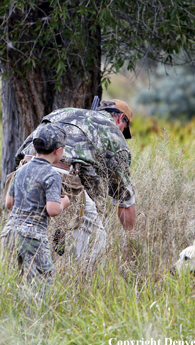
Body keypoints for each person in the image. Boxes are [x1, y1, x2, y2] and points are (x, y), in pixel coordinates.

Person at [15, 99, 136, 268]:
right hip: (63, 175)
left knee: (31, 236)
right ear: (120, 118)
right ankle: (83, 285)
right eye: (125, 130)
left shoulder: (62, 112)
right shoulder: (112, 132)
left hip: (24, 172)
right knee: (95, 243)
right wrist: (132, 241)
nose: (122, 135)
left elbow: (22, 151)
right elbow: (124, 199)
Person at [1, 123, 71, 287]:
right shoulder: (52, 174)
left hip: (10, 232)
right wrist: (65, 202)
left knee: (15, 281)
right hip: (33, 236)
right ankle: (34, 313)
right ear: (58, 151)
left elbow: (9, 203)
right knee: (40, 284)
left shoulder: (20, 171)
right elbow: (53, 210)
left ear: (34, 147)